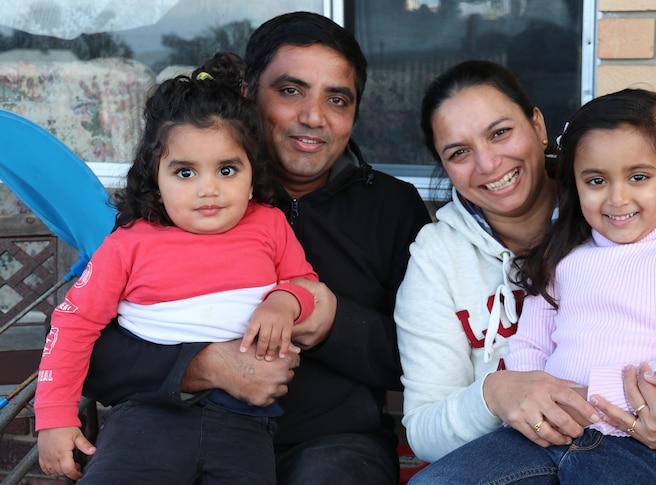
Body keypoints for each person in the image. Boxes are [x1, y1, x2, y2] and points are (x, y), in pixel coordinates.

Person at [81, 12, 432, 485]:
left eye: (337, 99)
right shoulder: (172, 204)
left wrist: (331, 323)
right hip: (179, 430)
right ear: (247, 92)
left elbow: (419, 357)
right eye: (291, 91)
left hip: (331, 444)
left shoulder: (390, 206)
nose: (314, 116)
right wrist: (201, 367)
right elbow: (86, 348)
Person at [394, 60, 656, 471]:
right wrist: (495, 393)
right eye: (459, 152)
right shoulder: (444, 259)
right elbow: (425, 429)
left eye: (500, 133)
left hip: (638, 444)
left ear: (537, 124)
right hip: (527, 445)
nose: (487, 163)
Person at [35, 52, 318, 483]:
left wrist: (283, 301)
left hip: (246, 421)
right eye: (185, 172)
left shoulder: (269, 224)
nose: (209, 189)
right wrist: (54, 416)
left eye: (227, 169)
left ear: (251, 171)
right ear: (155, 175)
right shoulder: (129, 243)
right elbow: (74, 324)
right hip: (144, 417)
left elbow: (303, 282)